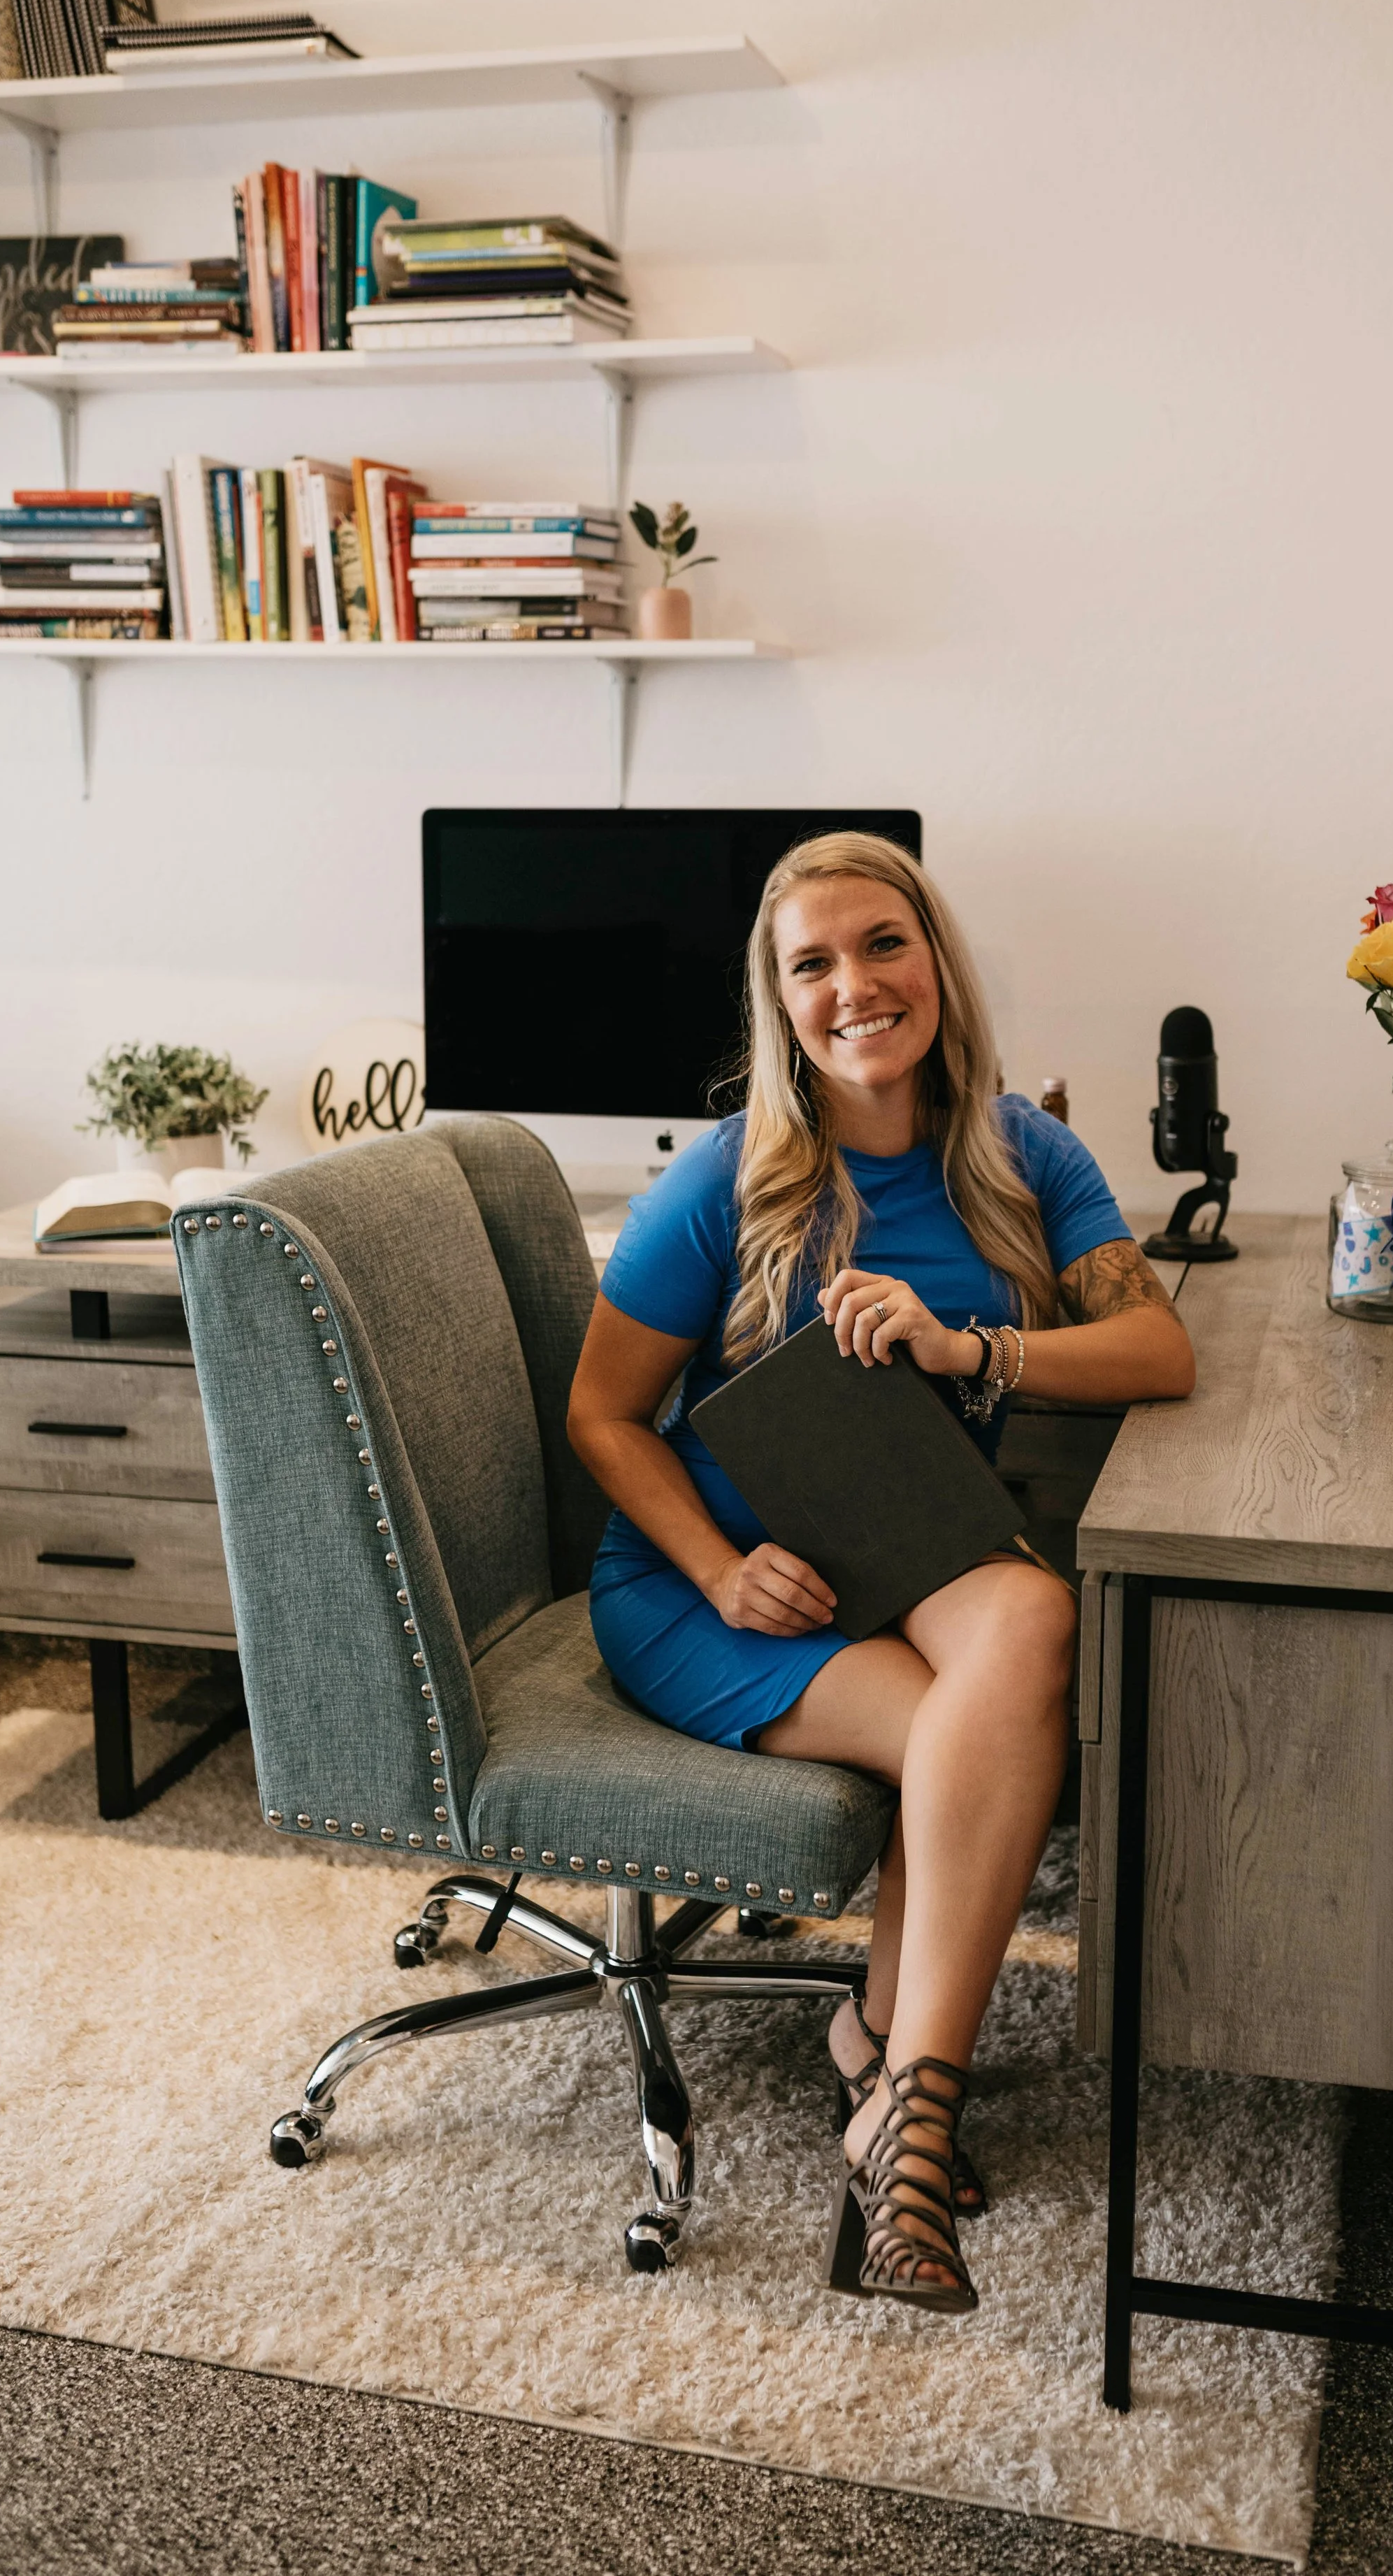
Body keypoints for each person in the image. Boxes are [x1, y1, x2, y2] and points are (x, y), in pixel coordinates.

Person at [567, 832, 1194, 2312]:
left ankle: (885, 2060)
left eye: (881, 944)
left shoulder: (1019, 1150)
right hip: (727, 1581)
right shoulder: (724, 1180)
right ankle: (911, 2108)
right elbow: (598, 1415)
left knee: (1030, 1620)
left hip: (901, 1536)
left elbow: (1158, 1350)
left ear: (933, 958)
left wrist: (966, 1344)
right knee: (971, 1737)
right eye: (813, 965)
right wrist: (718, 1570)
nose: (855, 985)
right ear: (780, 1005)